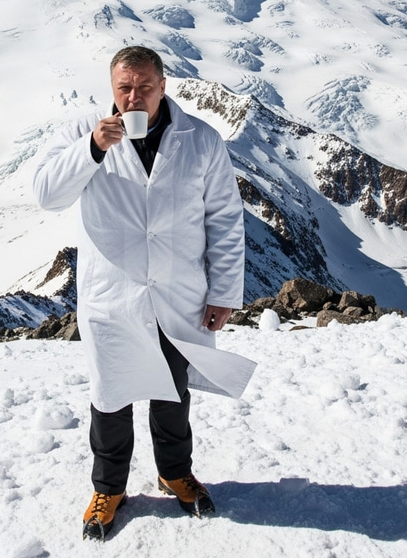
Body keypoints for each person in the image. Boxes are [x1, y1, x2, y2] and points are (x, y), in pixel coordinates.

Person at [32, 45, 256, 541]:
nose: (134, 97)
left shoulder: (200, 139)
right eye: (124, 88)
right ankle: (108, 488)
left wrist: (223, 292)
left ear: (163, 85)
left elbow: (224, 218)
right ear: (112, 90)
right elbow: (47, 194)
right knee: (110, 398)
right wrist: (92, 148)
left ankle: (175, 473)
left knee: (172, 393)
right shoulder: (80, 132)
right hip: (112, 296)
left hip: (178, 294)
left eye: (144, 87)